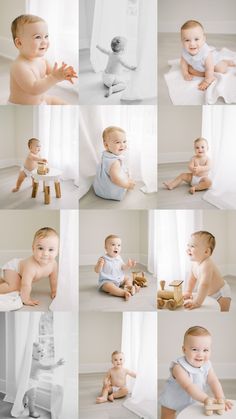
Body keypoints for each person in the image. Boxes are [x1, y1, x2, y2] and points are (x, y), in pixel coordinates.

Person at [159, 326, 233, 419]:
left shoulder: (207, 365)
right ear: (184, 350)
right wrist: (205, 399)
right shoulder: (178, 367)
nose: (200, 354)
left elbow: (213, 381)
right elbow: (188, 386)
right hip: (173, 399)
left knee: (191, 415)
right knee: (168, 416)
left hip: (195, 398)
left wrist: (220, 397)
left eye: (205, 350)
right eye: (194, 349)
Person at [9, 14, 77, 104]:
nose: (44, 41)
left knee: (62, 103)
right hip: (23, 106)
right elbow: (34, 89)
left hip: (42, 100)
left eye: (46, 36)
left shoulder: (42, 61)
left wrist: (62, 73)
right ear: (19, 43)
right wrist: (54, 77)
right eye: (37, 37)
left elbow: (54, 72)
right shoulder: (19, 66)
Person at [0, 227, 59, 306]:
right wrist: (26, 299)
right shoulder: (31, 266)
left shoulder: (53, 264)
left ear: (57, 251)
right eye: (40, 248)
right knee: (15, 287)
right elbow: (26, 284)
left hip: (21, 271)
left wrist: (54, 291)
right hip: (13, 269)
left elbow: (54, 279)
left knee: (16, 283)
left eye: (51, 250)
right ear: (33, 248)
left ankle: (2, 280)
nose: (45, 253)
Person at [180, 20, 235, 91]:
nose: (192, 44)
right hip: (199, 65)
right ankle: (203, 73)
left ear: (203, 39)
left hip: (213, 63)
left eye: (196, 39)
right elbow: (183, 62)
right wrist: (185, 73)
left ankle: (226, 62)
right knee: (189, 69)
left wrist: (207, 81)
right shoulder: (185, 51)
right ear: (182, 41)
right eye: (187, 40)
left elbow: (209, 68)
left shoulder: (206, 53)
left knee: (221, 69)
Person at [184, 231, 231, 311]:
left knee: (222, 311)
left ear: (206, 252)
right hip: (208, 294)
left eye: (192, 246)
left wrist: (197, 302)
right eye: (188, 245)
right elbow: (192, 280)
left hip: (221, 294)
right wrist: (188, 291)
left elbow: (204, 284)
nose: (188, 249)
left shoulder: (207, 264)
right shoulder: (194, 264)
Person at [93, 126, 135, 201]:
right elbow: (115, 179)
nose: (122, 145)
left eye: (124, 141)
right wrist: (127, 185)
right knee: (127, 180)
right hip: (110, 193)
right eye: (118, 142)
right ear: (106, 145)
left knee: (125, 173)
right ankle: (126, 184)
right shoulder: (115, 162)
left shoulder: (105, 155)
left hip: (100, 190)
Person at [23, 342, 64, 418]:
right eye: (38, 351)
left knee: (25, 394)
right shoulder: (36, 363)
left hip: (26, 380)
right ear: (31, 354)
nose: (41, 352)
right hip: (31, 383)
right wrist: (57, 364)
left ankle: (23, 404)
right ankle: (31, 412)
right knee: (32, 398)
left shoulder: (30, 361)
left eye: (42, 350)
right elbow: (47, 367)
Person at [94, 234, 139, 300]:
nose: (116, 247)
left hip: (119, 279)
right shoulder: (103, 259)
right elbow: (97, 270)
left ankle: (130, 287)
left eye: (119, 245)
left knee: (128, 278)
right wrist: (99, 265)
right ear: (106, 248)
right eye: (113, 245)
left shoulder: (119, 257)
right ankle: (123, 293)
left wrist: (128, 265)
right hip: (107, 281)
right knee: (109, 287)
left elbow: (123, 267)